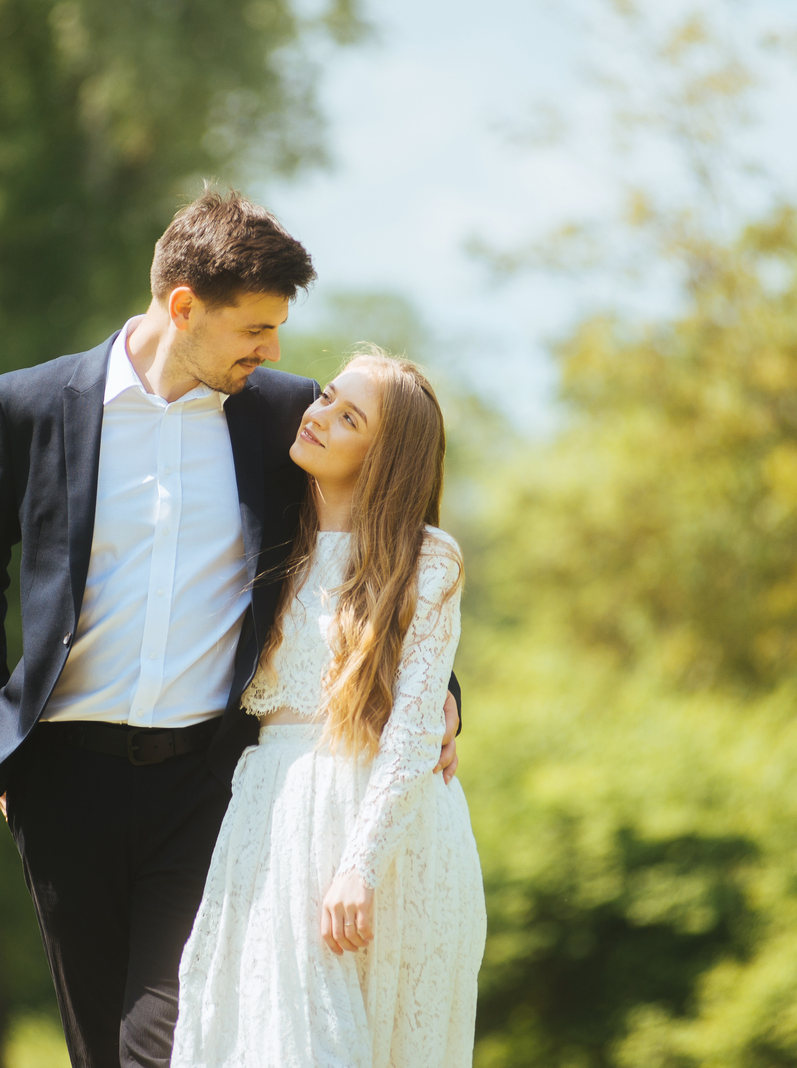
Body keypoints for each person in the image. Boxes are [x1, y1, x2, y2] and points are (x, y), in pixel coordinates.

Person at [0, 190, 462, 1068]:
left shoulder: (280, 417)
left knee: (174, 1045)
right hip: (61, 781)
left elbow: (379, 547)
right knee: (101, 1049)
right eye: (254, 328)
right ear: (184, 307)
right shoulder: (31, 407)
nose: (273, 351)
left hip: (207, 785)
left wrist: (439, 687)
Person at [172, 350, 487, 1068]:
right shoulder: (270, 544)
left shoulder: (427, 560)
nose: (318, 416)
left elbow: (412, 726)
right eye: (329, 399)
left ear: (385, 459)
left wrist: (360, 867)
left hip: (388, 837)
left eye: (349, 419)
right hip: (274, 820)